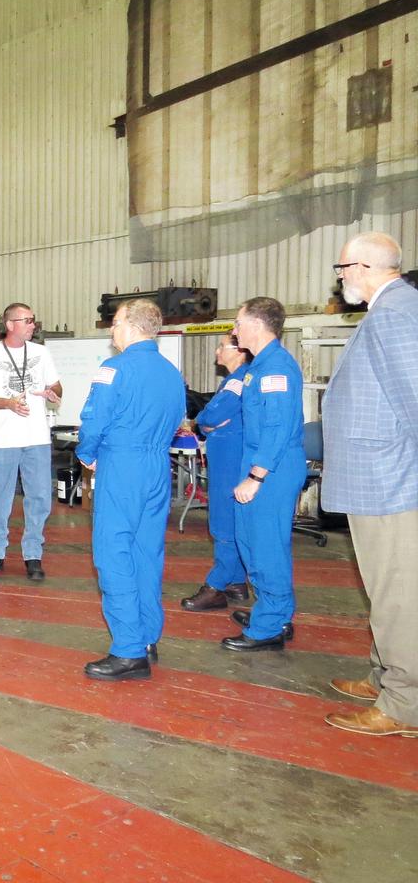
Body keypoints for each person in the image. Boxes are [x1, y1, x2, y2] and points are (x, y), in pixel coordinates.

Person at [320, 231, 418, 737]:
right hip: (379, 478)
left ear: (361, 267)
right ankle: (386, 678)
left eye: (342, 269)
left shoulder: (394, 314)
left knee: (399, 592)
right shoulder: (391, 310)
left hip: (391, 481)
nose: (340, 278)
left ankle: (405, 704)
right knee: (385, 588)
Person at [76, 299, 184, 681]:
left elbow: (94, 419)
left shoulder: (114, 369)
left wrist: (86, 453)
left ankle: (128, 650)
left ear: (133, 326)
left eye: (116, 322)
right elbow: (177, 418)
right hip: (158, 466)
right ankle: (148, 636)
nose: (112, 329)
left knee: (113, 553)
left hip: (123, 466)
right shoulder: (171, 373)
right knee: (146, 553)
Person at [224, 297, 305, 651]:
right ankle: (276, 612)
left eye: (238, 322)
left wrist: (256, 477)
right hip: (261, 463)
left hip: (272, 469)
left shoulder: (276, 369)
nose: (234, 330)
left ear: (257, 325)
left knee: (265, 546)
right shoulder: (258, 367)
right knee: (253, 542)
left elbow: (277, 428)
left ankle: (268, 627)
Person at [0, 303, 62, 581]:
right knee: (1, 498)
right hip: (3, 440)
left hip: (37, 438)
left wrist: (51, 391)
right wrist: (7, 403)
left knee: (39, 497)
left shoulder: (41, 353)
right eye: (27, 320)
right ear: (10, 324)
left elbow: (57, 385)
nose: (33, 325)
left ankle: (33, 555)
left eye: (34, 320)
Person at [180, 336, 253, 611]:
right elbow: (209, 416)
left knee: (224, 521)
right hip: (227, 457)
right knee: (229, 518)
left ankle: (217, 584)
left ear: (240, 351)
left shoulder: (239, 380)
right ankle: (236, 581)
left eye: (223, 346)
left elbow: (211, 415)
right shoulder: (233, 380)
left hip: (230, 462)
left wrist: (203, 422)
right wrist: (205, 422)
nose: (217, 350)